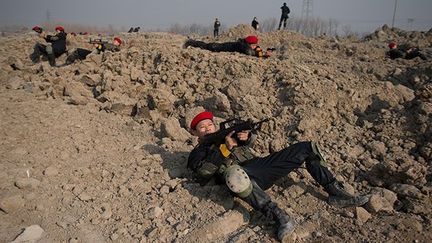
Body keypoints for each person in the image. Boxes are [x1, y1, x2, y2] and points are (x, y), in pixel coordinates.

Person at [187, 111, 370, 241]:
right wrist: (225, 148)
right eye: (201, 128)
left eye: (209, 124)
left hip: (260, 168)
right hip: (240, 180)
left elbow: (248, 145)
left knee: (307, 147)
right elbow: (204, 172)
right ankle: (278, 217)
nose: (208, 129)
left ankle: (335, 192)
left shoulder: (226, 135)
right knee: (234, 173)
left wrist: (246, 137)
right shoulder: (198, 152)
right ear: (195, 133)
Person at [183, 35, 273, 58]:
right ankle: (191, 42)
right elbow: (249, 53)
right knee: (206, 46)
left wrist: (263, 53)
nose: (255, 46)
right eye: (254, 45)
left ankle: (192, 42)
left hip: (223, 46)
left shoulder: (245, 45)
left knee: (206, 45)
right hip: (219, 48)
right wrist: (262, 54)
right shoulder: (243, 46)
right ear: (249, 44)